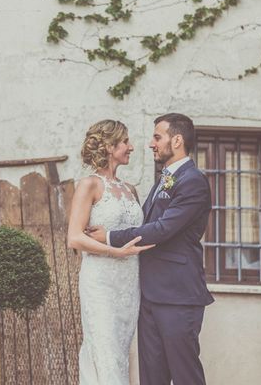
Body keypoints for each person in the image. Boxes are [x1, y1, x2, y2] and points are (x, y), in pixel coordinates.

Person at [88, 113, 214, 385]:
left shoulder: (193, 181)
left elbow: (161, 230)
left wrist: (108, 237)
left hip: (178, 297)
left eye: (157, 137)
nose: (150, 144)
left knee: (185, 376)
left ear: (177, 140)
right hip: (150, 295)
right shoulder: (165, 179)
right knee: (151, 378)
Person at [67, 119, 155, 385]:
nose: (131, 147)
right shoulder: (89, 185)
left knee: (120, 353)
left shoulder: (131, 190)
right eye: (125, 141)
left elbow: (135, 233)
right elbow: (74, 237)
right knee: (104, 350)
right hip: (101, 282)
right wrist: (112, 251)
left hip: (129, 284)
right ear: (108, 146)